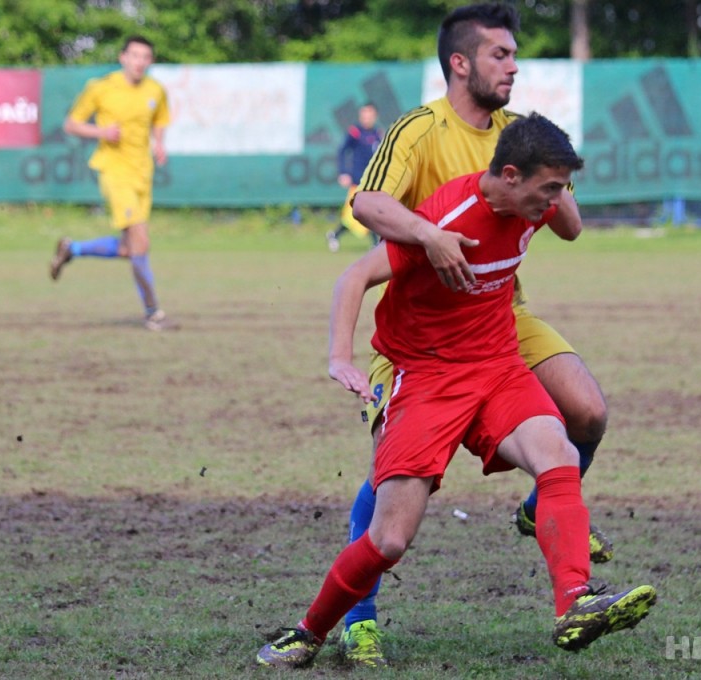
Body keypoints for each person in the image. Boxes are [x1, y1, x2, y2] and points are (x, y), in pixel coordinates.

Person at [256, 113, 657, 669]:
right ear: (511, 176)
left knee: (559, 454)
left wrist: (558, 179)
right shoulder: (449, 219)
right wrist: (338, 359)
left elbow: (569, 225)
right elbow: (353, 276)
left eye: (563, 188)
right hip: (425, 378)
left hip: (496, 367)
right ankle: (307, 631)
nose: (557, 201)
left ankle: (575, 602)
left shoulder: (530, 202)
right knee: (390, 539)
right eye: (550, 189)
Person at [333, 3, 612, 667]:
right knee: (391, 468)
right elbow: (366, 205)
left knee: (588, 412)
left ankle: (540, 501)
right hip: (422, 332)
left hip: (500, 316)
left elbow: (571, 230)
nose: (513, 66)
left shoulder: (518, 135)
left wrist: (556, 174)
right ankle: (359, 617)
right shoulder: (420, 130)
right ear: (460, 63)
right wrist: (428, 232)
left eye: (515, 55)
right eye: (499, 55)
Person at [50, 35, 176, 332]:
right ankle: (153, 313)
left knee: (130, 249)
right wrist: (102, 132)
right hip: (114, 172)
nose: (139, 62)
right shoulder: (101, 87)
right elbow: (71, 124)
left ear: (151, 61)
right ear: (122, 57)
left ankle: (73, 249)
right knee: (140, 245)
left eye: (145, 57)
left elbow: (160, 119)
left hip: (142, 175)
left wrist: (160, 144)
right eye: (134, 55)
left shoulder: (155, 90)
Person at [326, 102, 383, 252]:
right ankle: (335, 235)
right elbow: (342, 151)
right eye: (364, 114)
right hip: (358, 181)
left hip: (372, 182)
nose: (366, 118)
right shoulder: (355, 132)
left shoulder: (378, 134)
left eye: (369, 115)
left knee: (368, 213)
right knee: (356, 214)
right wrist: (343, 172)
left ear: (375, 116)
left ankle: (335, 235)